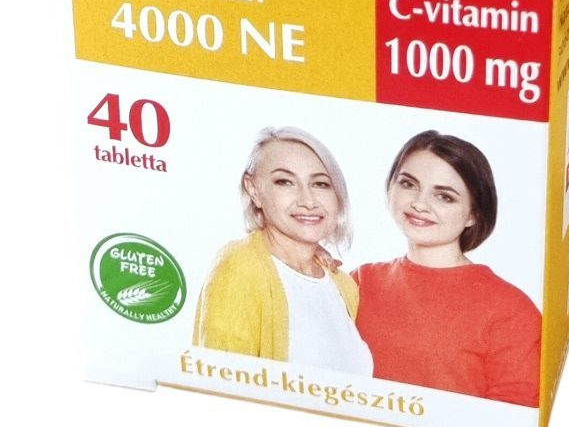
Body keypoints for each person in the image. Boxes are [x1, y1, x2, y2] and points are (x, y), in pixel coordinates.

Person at [354, 130, 542, 406]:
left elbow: (512, 415)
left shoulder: (511, 309)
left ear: (473, 215)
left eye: (444, 196)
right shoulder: (360, 281)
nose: (419, 203)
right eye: (408, 184)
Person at [192, 126, 372, 374]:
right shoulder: (239, 267)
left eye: (320, 184)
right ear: (253, 189)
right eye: (284, 182)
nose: (308, 201)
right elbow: (220, 385)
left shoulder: (343, 286)